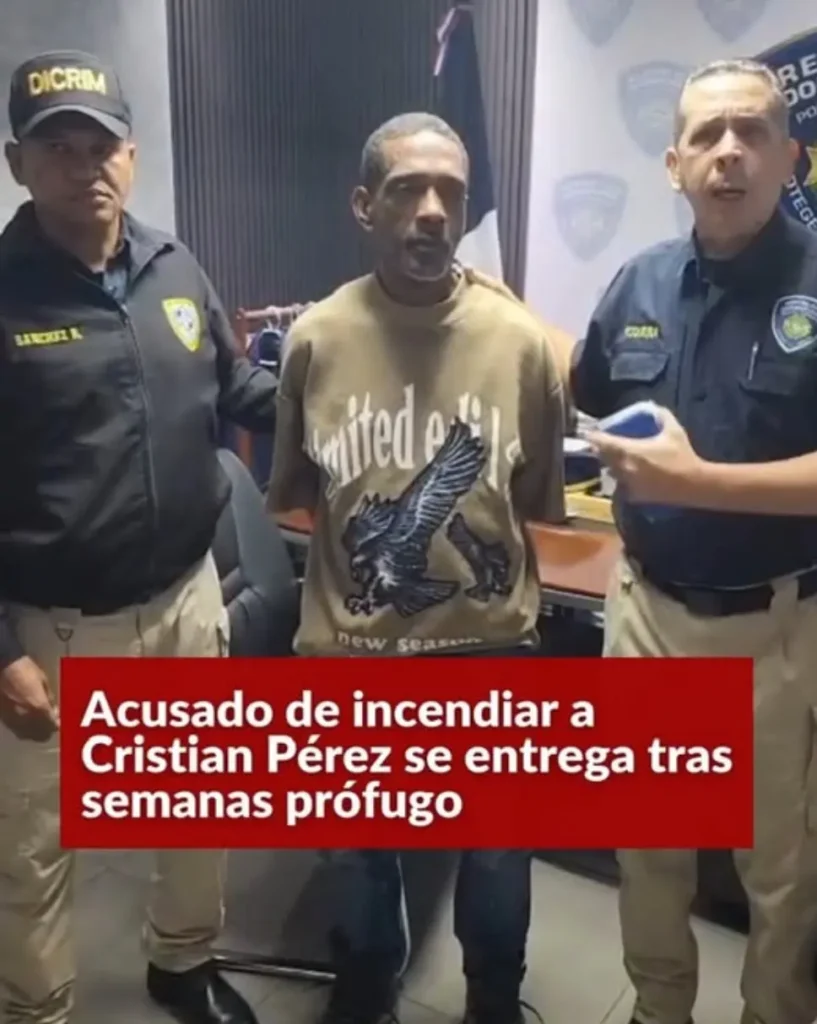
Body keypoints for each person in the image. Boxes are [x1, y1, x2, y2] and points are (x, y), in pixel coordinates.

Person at [266, 111, 566, 1023]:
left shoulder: (521, 342)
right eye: (407, 189)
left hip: (489, 648)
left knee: (496, 848)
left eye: (451, 194)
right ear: (365, 205)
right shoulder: (314, 338)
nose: (433, 210)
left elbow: (527, 499)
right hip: (351, 650)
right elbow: (304, 496)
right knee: (360, 850)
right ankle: (366, 995)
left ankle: (492, 1001)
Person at [0, 51, 277, 1024]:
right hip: (56, 632)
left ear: (133, 154)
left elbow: (236, 386)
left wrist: (343, 395)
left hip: (186, 599)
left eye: (102, 145)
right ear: (17, 163)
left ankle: (181, 962)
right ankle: (37, 1008)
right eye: (58, 148)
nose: (86, 166)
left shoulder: (173, 264)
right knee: (35, 846)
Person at [567, 58, 817, 1024]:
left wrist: (695, 482)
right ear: (673, 165)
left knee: (780, 871)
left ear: (790, 156)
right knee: (648, 849)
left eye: (752, 131)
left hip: (776, 631)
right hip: (647, 617)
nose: (728, 152)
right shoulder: (637, 283)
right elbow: (588, 398)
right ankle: (656, 1009)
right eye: (706, 135)